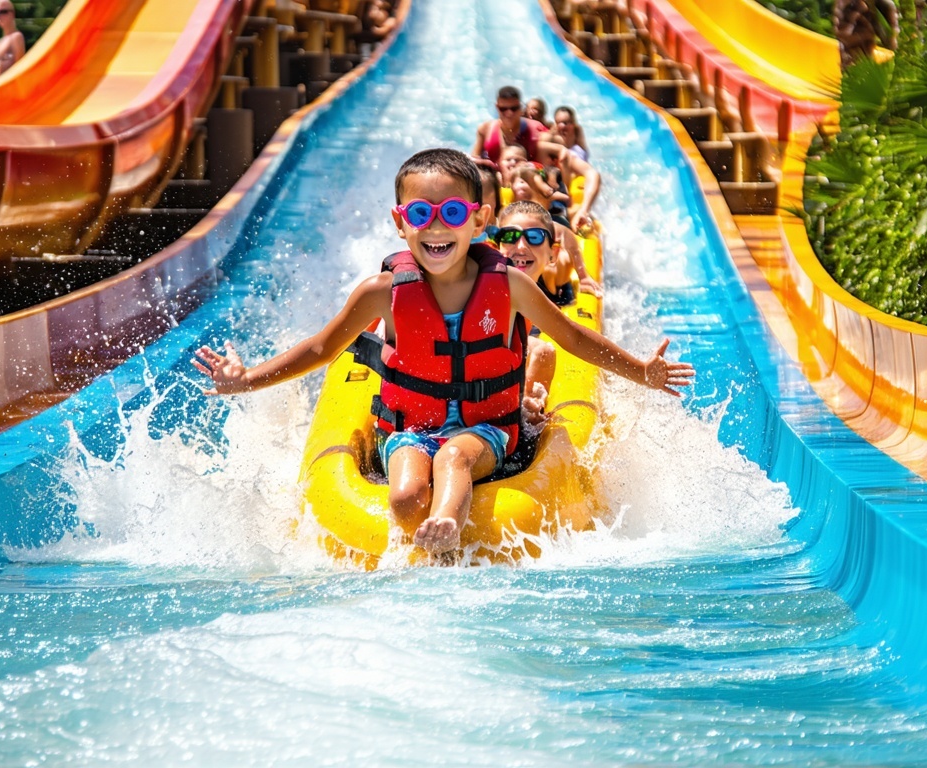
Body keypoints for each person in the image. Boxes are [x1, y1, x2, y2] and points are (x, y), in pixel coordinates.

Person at [194, 148, 692, 556]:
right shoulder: (381, 293)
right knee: (408, 495)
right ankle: (429, 533)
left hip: (488, 430)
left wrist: (642, 371)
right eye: (421, 215)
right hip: (411, 429)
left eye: (452, 214)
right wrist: (247, 378)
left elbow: (573, 338)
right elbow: (320, 349)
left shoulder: (510, 286)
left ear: (479, 220)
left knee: (453, 458)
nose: (436, 229)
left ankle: (447, 530)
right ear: (399, 222)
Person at [489, 201, 572, 432]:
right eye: (510, 236)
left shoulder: (533, 304)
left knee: (542, 350)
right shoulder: (482, 290)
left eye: (534, 237)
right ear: (496, 248)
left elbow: (576, 339)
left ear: (553, 254)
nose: (522, 246)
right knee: (542, 350)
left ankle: (528, 416)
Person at [508, 165, 601, 297]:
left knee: (552, 265)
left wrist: (583, 276)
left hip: (551, 278)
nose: (528, 207)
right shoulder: (508, 220)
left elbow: (566, 235)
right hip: (528, 270)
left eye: (531, 199)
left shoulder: (555, 223)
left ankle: (550, 294)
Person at [470, 85, 563, 169]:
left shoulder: (535, 130)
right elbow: (473, 161)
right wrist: (487, 163)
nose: (509, 113)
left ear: (520, 107)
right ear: (497, 107)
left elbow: (562, 146)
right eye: (503, 109)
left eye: (513, 109)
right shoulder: (485, 129)